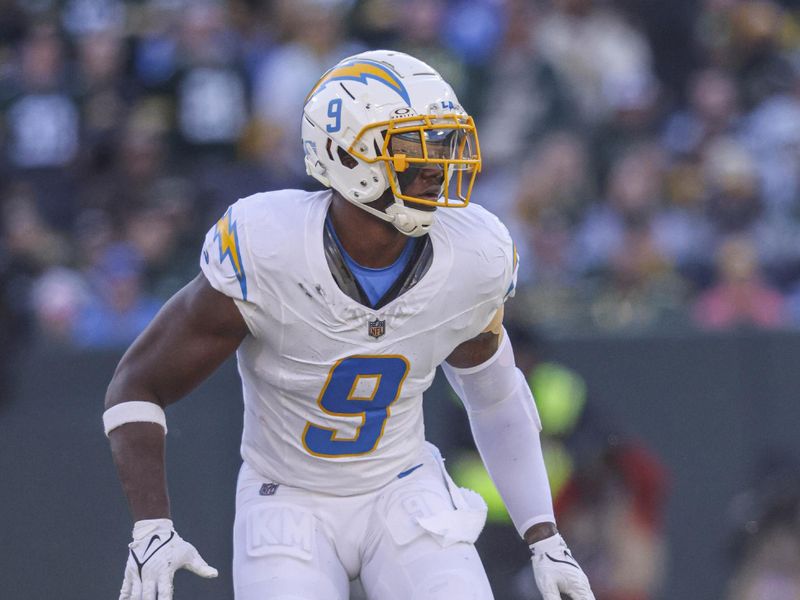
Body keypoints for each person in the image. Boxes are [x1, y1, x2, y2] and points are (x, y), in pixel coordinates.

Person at [104, 50, 595, 600]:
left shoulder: (473, 252)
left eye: (441, 142)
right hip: (286, 496)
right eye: (412, 145)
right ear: (346, 153)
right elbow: (139, 383)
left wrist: (544, 535)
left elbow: (496, 398)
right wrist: (151, 526)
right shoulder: (270, 246)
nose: (437, 164)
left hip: (404, 488)